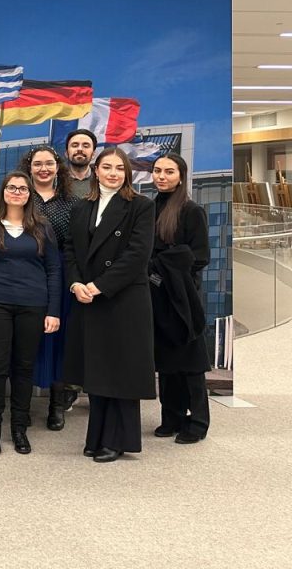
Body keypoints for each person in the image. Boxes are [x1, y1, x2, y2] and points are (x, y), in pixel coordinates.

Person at [65, 147, 156, 463]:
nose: (113, 173)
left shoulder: (140, 206)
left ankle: (119, 440)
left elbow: (137, 255)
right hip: (89, 297)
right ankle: (97, 437)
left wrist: (99, 285)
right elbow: (70, 250)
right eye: (107, 167)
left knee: (121, 371)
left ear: (127, 173)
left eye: (120, 168)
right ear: (96, 170)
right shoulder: (82, 207)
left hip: (123, 298)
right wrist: (76, 283)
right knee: (99, 370)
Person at [0, 171, 61, 456]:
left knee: (24, 368)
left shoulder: (43, 227)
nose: (17, 192)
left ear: (29, 194)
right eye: (12, 187)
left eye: (22, 188)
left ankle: (19, 428)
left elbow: (54, 270)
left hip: (33, 305)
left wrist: (53, 311)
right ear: (3, 192)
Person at [149, 153, 211, 444]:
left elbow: (199, 256)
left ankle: (198, 422)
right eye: (157, 170)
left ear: (181, 176)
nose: (162, 176)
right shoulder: (149, 209)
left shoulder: (191, 210)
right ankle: (171, 417)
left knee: (190, 362)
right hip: (157, 294)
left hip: (183, 297)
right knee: (166, 360)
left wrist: (160, 262)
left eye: (169, 171)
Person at [20, 144, 81, 430]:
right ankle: (21, 405)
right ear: (29, 168)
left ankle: (57, 406)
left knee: (58, 342)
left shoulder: (72, 203)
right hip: (25, 277)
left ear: (58, 168)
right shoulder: (19, 197)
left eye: (48, 164)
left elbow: (76, 244)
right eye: (37, 164)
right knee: (25, 340)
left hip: (61, 277)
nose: (43, 169)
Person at [64, 129, 97, 199]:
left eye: (86, 146)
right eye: (75, 145)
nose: (80, 149)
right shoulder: (55, 180)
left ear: (93, 154)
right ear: (66, 153)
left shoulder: (101, 180)